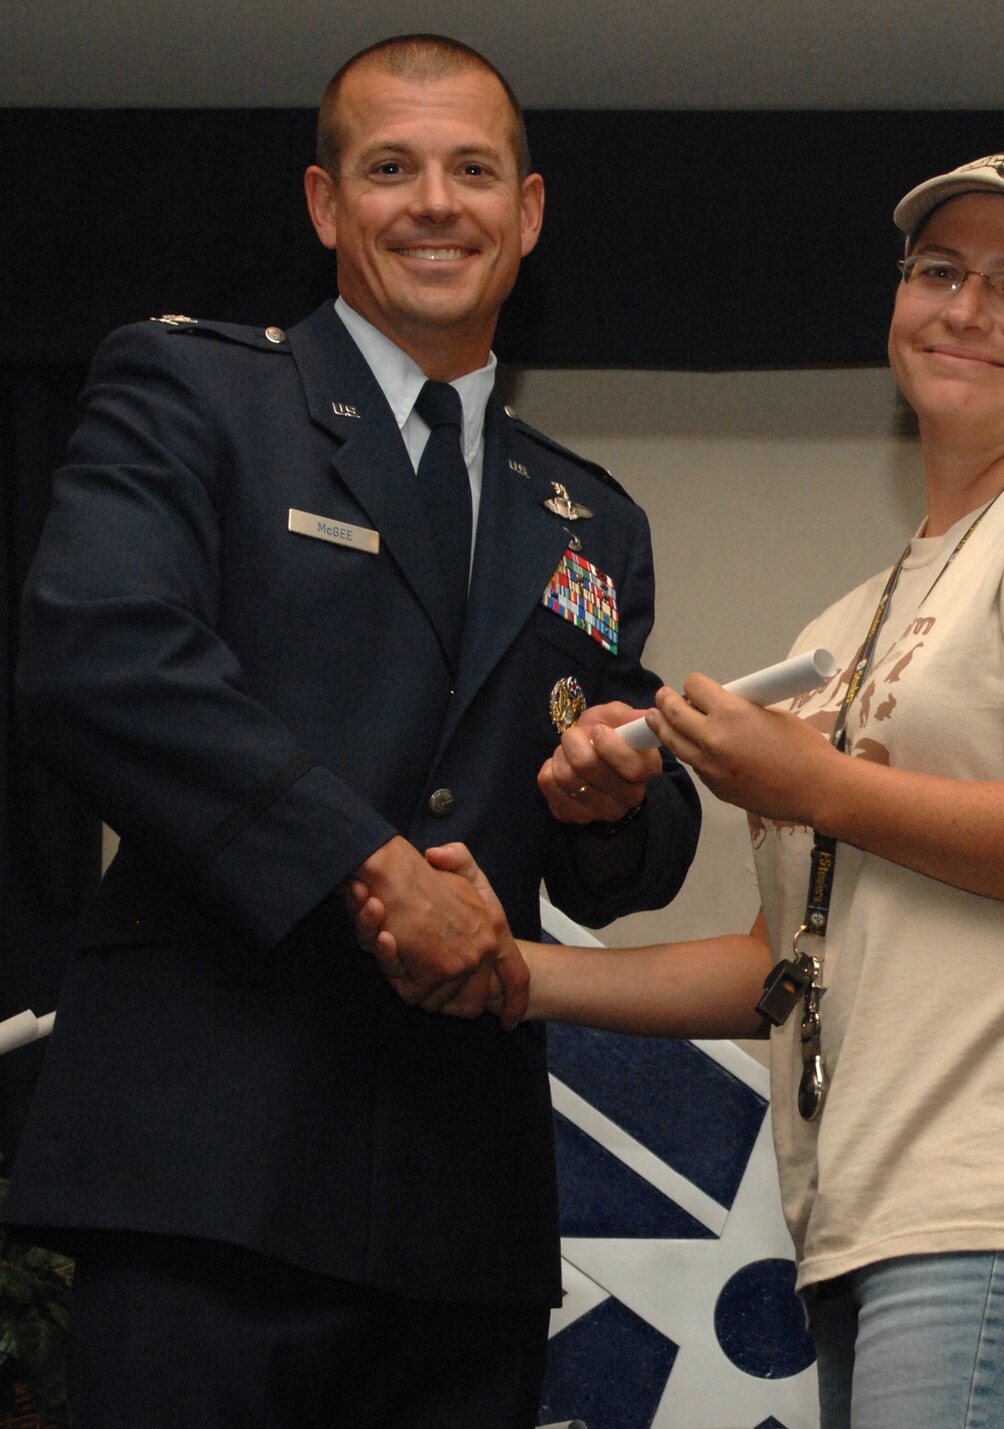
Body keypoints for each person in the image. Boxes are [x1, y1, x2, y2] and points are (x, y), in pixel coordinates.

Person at [371, 149, 1004, 1429]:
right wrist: (516, 971)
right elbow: (784, 966)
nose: (965, 309)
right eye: (937, 271)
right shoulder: (851, 621)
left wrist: (816, 783)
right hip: (866, 1218)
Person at [6, 34, 701, 1427]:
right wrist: (371, 865)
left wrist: (615, 801)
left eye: (472, 170)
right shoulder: (195, 390)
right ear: (327, 205)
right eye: (391, 168)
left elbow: (625, 836)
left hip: (463, 1217)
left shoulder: (586, 513)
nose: (434, 202)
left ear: (529, 211)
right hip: (209, 1174)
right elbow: (103, 655)